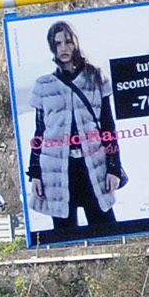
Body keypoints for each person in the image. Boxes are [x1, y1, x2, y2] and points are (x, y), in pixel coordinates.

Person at [25, 20, 125, 238]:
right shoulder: (44, 85)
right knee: (65, 233)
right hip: (56, 168)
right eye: (57, 43)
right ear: (52, 47)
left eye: (68, 42)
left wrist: (113, 168)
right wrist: (35, 173)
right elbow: (39, 132)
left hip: (93, 165)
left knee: (107, 230)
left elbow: (108, 126)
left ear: (76, 43)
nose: (63, 48)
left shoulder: (95, 77)